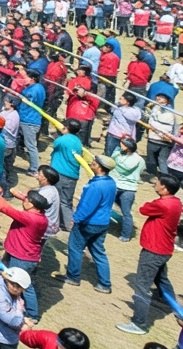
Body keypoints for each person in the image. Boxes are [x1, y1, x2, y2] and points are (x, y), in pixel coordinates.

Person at [118, 174, 181, 335]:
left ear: (165, 188)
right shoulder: (176, 202)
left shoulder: (162, 204)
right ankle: (175, 308)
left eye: (158, 183)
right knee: (162, 280)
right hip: (164, 249)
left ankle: (139, 323)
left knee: (142, 286)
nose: (156, 184)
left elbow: (143, 209)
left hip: (153, 250)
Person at [0, 182, 49, 323]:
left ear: (33, 205)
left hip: (22, 257)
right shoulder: (40, 216)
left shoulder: (31, 218)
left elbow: (5, 208)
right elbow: (19, 197)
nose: (25, 201)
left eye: (28, 201)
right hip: (18, 252)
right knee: (5, 277)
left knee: (23, 285)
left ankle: (32, 315)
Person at [58, 154, 116, 293]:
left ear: (100, 167)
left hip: (88, 222)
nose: (92, 163)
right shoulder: (111, 182)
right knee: (98, 252)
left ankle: (73, 276)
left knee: (75, 248)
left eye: (95, 162)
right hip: (102, 223)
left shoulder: (96, 186)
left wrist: (76, 218)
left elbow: (87, 206)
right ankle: (105, 284)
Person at [115, 139, 147, 241]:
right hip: (130, 188)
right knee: (126, 213)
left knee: (104, 207)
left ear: (127, 147)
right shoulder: (140, 160)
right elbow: (141, 170)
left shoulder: (118, 156)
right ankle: (126, 235)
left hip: (116, 184)